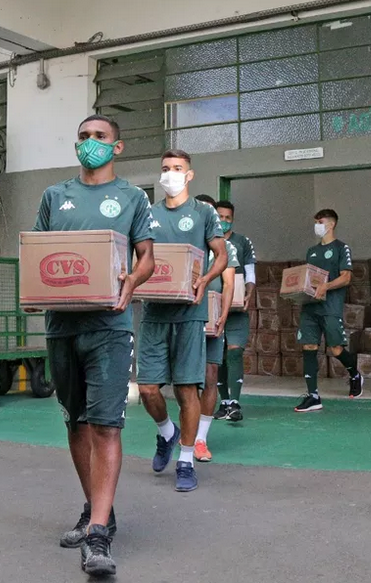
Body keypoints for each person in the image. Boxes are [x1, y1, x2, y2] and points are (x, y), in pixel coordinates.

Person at [31, 114, 155, 577]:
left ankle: (98, 531)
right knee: (76, 423)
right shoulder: (53, 196)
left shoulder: (132, 198)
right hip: (61, 326)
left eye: (100, 137)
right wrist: (33, 290)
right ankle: (95, 507)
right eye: (83, 137)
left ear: (117, 147)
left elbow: (147, 258)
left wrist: (131, 282)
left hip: (109, 326)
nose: (90, 144)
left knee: (106, 425)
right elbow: (40, 256)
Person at [137, 150, 227, 493]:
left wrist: (205, 280)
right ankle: (166, 433)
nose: (170, 174)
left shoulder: (203, 213)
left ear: (189, 175)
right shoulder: (148, 213)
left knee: (187, 389)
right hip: (155, 313)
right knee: (147, 390)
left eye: (177, 169)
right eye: (165, 169)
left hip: (190, 314)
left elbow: (220, 254)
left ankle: (186, 460)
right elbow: (136, 253)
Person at [295, 209, 364, 412]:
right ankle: (313, 396)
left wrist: (325, 286)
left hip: (330, 307)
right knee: (308, 346)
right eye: (315, 221)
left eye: (320, 221)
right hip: (310, 308)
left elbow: (346, 277)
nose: (317, 224)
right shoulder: (312, 251)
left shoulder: (342, 248)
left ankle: (355, 374)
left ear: (331, 224)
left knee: (335, 348)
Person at [191, 195, 238, 463]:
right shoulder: (184, 242)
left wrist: (223, 315)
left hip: (212, 320)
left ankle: (200, 439)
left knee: (210, 376)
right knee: (186, 381)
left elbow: (229, 284)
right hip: (186, 318)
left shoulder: (225, 247)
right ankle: (179, 430)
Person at [213, 199, 258, 423]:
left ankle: (236, 402)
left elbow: (250, 271)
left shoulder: (242, 242)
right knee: (218, 356)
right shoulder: (208, 240)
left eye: (227, 218)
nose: (223, 221)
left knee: (234, 351)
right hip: (214, 306)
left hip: (238, 307)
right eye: (220, 217)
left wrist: (250, 292)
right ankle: (224, 402)